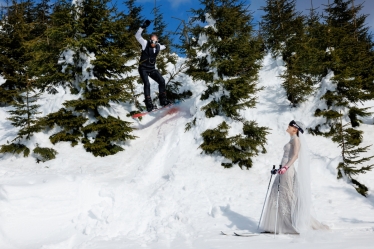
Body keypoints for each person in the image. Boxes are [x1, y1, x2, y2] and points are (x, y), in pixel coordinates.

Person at [259, 120, 328, 234]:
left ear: (295, 129)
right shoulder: (291, 140)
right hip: (284, 169)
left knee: (285, 197)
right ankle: (276, 225)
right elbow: (287, 156)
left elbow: (295, 156)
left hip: (287, 170)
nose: (287, 127)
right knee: (277, 195)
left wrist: (285, 168)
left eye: (289, 126)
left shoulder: (296, 140)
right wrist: (278, 169)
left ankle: (288, 226)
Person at [135, 20, 171, 112]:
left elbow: (163, 46)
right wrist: (142, 27)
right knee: (147, 83)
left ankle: (163, 101)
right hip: (143, 68)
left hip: (151, 69)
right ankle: (149, 104)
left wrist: (166, 45)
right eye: (152, 41)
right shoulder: (145, 43)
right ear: (149, 40)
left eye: (155, 42)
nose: (153, 43)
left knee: (162, 81)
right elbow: (137, 36)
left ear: (157, 41)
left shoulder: (158, 46)